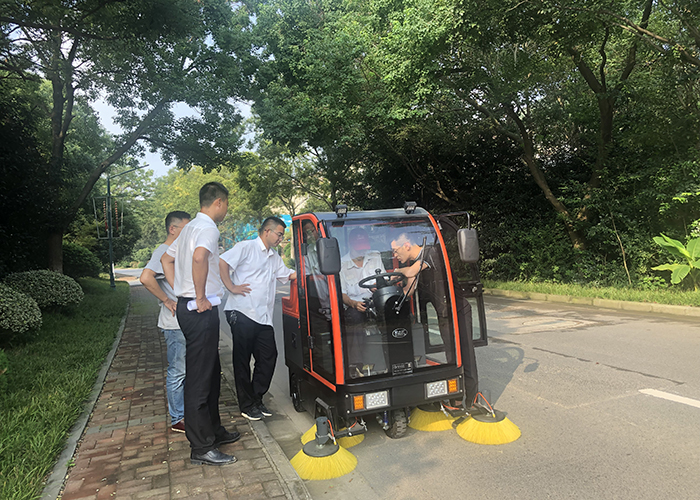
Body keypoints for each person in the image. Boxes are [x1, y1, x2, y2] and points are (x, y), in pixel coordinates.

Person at [161, 182, 240, 467]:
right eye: (226, 204)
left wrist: (180, 292)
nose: (226, 209)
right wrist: (199, 296)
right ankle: (201, 446)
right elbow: (199, 257)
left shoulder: (189, 228)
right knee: (199, 378)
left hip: (190, 308)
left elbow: (166, 260)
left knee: (211, 372)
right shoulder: (207, 228)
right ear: (218, 202)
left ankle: (214, 430)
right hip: (199, 310)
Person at [220, 216, 296, 421]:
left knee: (268, 357)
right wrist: (231, 287)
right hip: (241, 311)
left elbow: (287, 274)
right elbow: (222, 261)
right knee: (243, 361)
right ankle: (246, 405)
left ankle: (256, 398)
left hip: (263, 317)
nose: (280, 238)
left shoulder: (273, 256)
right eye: (279, 234)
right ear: (267, 231)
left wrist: (310, 273)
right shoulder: (246, 247)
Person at [139, 211, 190, 433]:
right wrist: (167, 300)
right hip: (174, 324)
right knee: (178, 371)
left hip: (184, 322)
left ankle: (185, 413)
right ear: (172, 229)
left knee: (185, 369)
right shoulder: (163, 251)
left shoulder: (177, 251)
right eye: (186, 229)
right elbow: (145, 277)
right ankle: (178, 418)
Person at [390, 231, 454, 363]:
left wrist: (397, 271)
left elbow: (410, 272)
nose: (395, 255)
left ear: (406, 245)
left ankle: (468, 377)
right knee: (451, 350)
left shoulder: (430, 253)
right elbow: (409, 290)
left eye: (395, 251)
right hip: (444, 312)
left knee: (462, 351)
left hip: (455, 309)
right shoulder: (416, 263)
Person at [339, 227, 386, 375]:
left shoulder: (375, 256)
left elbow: (384, 279)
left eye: (364, 247)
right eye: (358, 248)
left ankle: (394, 357)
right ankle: (356, 365)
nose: (362, 251)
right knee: (354, 318)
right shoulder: (342, 264)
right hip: (355, 304)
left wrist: (379, 285)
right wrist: (354, 304)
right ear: (350, 245)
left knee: (393, 313)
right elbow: (342, 294)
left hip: (376, 300)